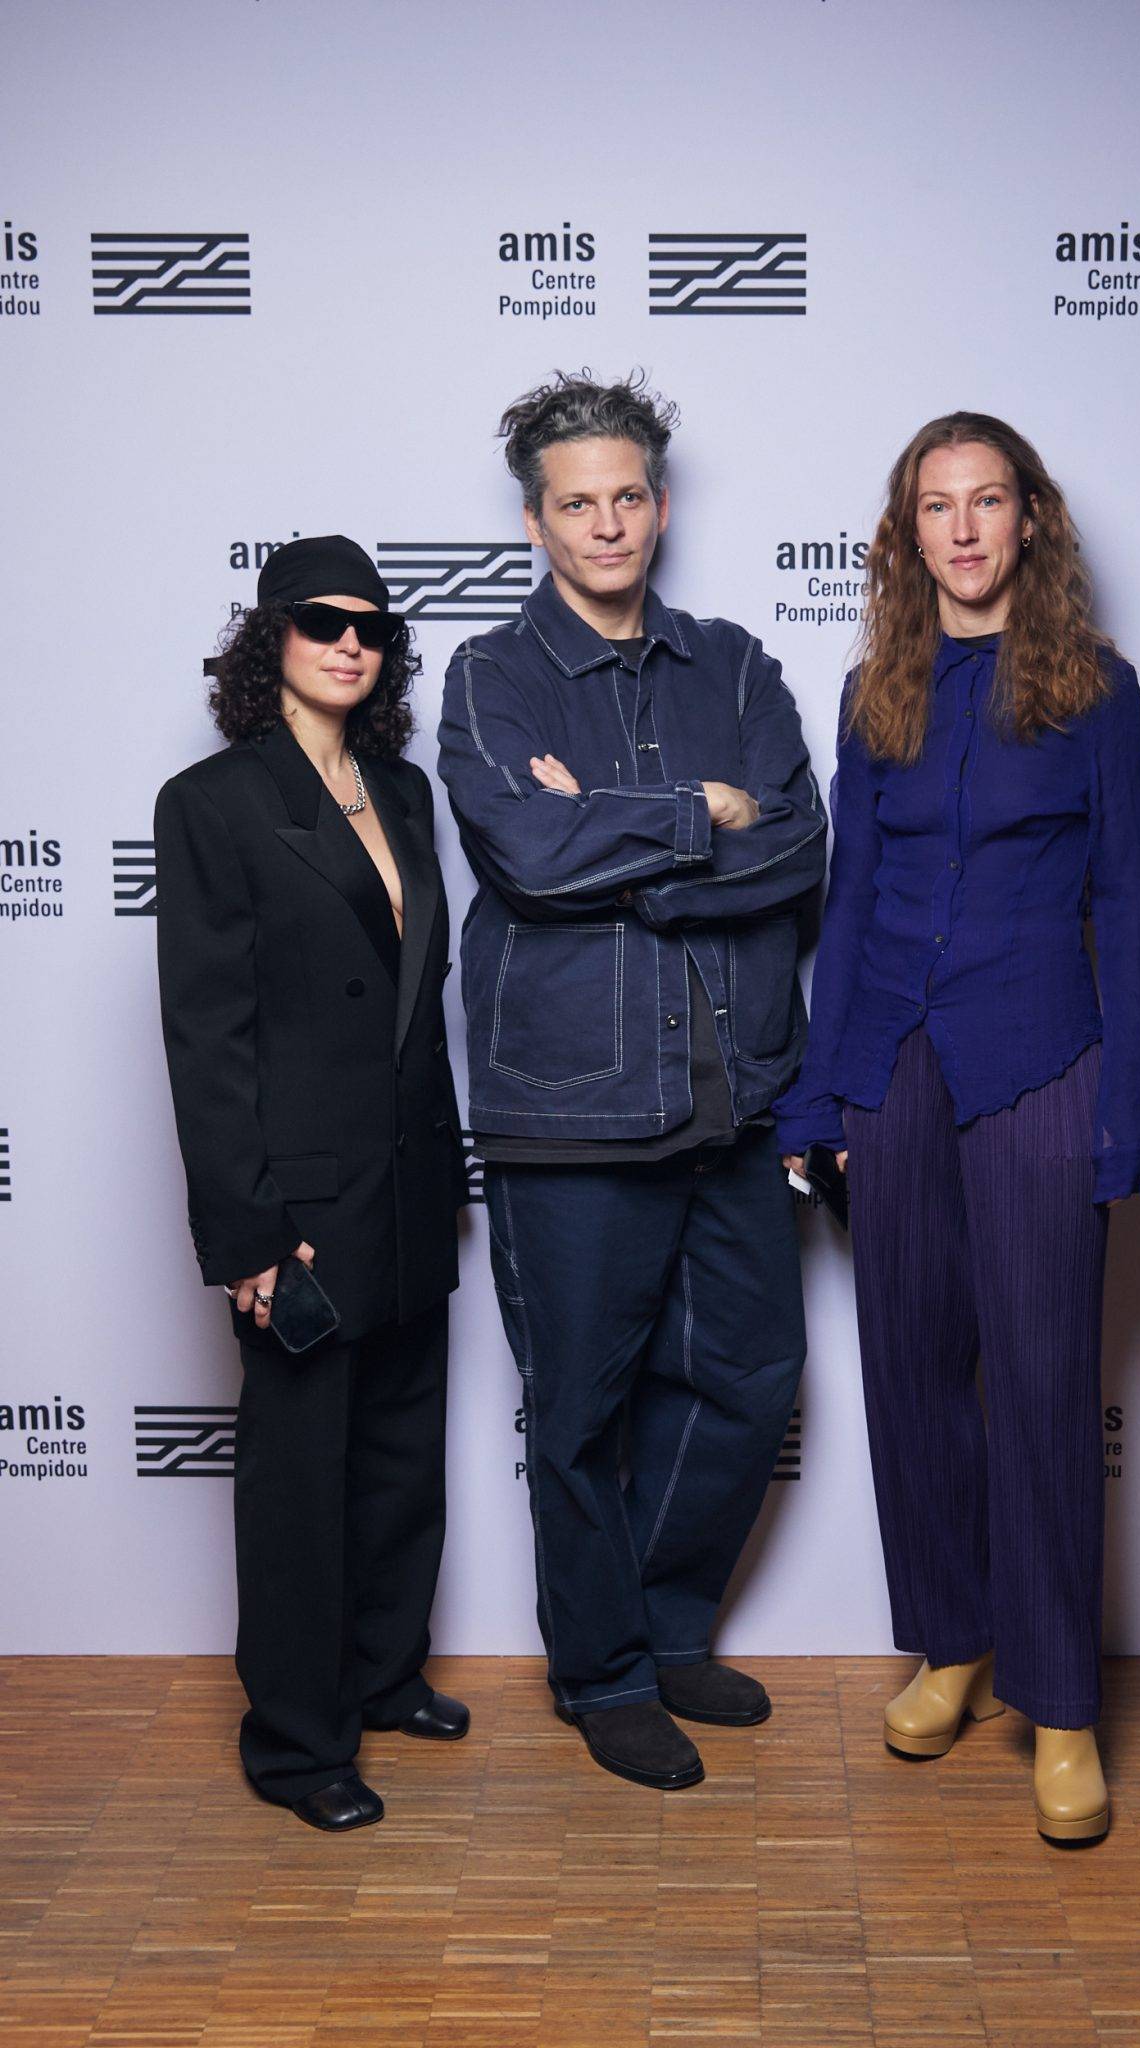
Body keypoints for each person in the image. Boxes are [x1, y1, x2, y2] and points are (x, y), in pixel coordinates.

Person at [775, 414, 1140, 1844]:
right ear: (906, 533)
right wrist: (818, 1092)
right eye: (935, 506)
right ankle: (950, 1646)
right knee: (910, 1368)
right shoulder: (875, 689)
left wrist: (1124, 1118)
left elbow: (1123, 908)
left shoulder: (1095, 691)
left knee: (1047, 1382)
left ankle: (1059, 1705)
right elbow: (849, 897)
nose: (962, 528)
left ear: (1026, 523)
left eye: (985, 500)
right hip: (890, 1063)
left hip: (1039, 1058)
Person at [438, 372, 826, 1791]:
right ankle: (599, 1674)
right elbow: (525, 862)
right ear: (537, 524)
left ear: (659, 506)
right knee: (584, 1408)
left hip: (732, 1099)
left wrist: (622, 843)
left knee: (746, 1376)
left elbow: (795, 850)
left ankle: (663, 1631)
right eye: (574, 503)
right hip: (571, 1113)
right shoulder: (488, 677)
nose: (605, 523)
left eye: (626, 496)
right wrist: (691, 822)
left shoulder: (733, 665)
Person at [155, 535, 472, 1833]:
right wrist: (247, 1234)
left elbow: (413, 1007)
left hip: (403, 1177)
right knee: (300, 1479)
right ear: (269, 639)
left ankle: (382, 1675)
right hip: (296, 1203)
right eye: (320, 622)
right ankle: (294, 1742)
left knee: (400, 1454)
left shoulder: (404, 792)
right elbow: (205, 1034)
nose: (351, 642)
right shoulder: (214, 802)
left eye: (371, 626)